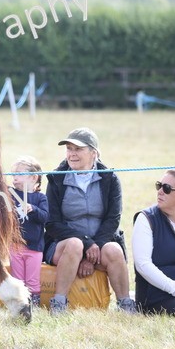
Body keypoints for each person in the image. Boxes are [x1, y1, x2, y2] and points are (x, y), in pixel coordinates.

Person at [43, 127, 135, 314]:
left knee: (114, 249)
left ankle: (125, 305)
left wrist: (95, 248)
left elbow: (113, 219)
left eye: (78, 149)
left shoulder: (110, 178)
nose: (72, 154)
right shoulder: (56, 178)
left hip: (100, 244)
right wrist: (87, 244)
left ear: (94, 153)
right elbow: (52, 223)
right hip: (65, 246)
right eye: (69, 149)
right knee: (75, 244)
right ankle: (59, 303)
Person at [132, 168, 175, 317]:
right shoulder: (146, 219)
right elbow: (143, 265)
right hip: (159, 296)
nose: (160, 191)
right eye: (159, 186)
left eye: (167, 188)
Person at [8, 156, 49, 307]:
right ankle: (20, 305)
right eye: (13, 174)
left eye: (19, 174)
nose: (14, 178)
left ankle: (34, 305)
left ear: (33, 177)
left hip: (34, 248)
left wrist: (33, 209)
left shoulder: (40, 198)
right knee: (17, 279)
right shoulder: (11, 194)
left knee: (32, 280)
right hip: (15, 246)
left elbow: (45, 217)